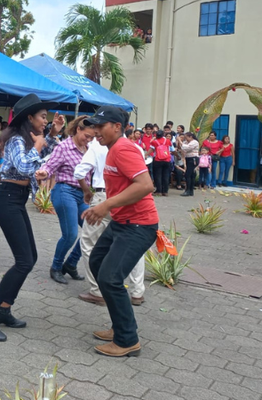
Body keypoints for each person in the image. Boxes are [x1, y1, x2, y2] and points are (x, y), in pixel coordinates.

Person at [0, 94, 59, 342]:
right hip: (6, 199)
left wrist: (52, 135)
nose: (46, 120)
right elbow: (23, 168)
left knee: (30, 258)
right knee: (23, 260)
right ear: (29, 117)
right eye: (43, 117)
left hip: (17, 199)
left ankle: (4, 308)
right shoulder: (14, 141)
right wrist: (39, 147)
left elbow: (53, 152)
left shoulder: (31, 140)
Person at [80, 106, 158, 357]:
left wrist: (105, 205)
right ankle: (120, 326)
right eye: (93, 126)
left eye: (100, 126)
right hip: (122, 222)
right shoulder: (112, 149)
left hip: (138, 225)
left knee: (110, 278)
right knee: (98, 263)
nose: (95, 132)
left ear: (117, 126)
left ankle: (127, 341)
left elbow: (146, 185)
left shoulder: (123, 148)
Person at [75, 122, 146, 307]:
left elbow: (80, 171)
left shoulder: (97, 146)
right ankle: (137, 291)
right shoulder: (136, 147)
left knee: (89, 243)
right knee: (131, 248)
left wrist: (86, 191)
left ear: (116, 126)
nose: (97, 131)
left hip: (103, 198)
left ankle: (97, 291)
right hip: (127, 200)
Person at [34, 116, 94, 285]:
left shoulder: (89, 148)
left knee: (92, 231)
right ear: (78, 130)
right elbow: (49, 166)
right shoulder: (64, 147)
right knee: (70, 235)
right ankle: (56, 267)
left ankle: (71, 264)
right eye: (86, 136)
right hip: (64, 191)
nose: (88, 140)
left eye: (91, 137)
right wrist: (43, 173)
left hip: (83, 194)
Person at [150, 127, 173, 196]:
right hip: (167, 159)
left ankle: (159, 191)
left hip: (158, 160)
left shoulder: (155, 142)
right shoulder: (167, 141)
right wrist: (177, 156)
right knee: (166, 175)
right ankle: (165, 191)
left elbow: (151, 148)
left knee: (158, 175)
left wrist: (146, 155)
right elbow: (172, 148)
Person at [180, 132, 200, 196]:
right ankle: (190, 191)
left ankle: (188, 190)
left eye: (186, 138)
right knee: (191, 175)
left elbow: (187, 148)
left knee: (188, 174)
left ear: (191, 137)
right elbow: (182, 147)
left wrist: (180, 141)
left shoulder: (194, 142)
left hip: (193, 159)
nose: (185, 139)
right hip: (188, 158)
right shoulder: (186, 142)